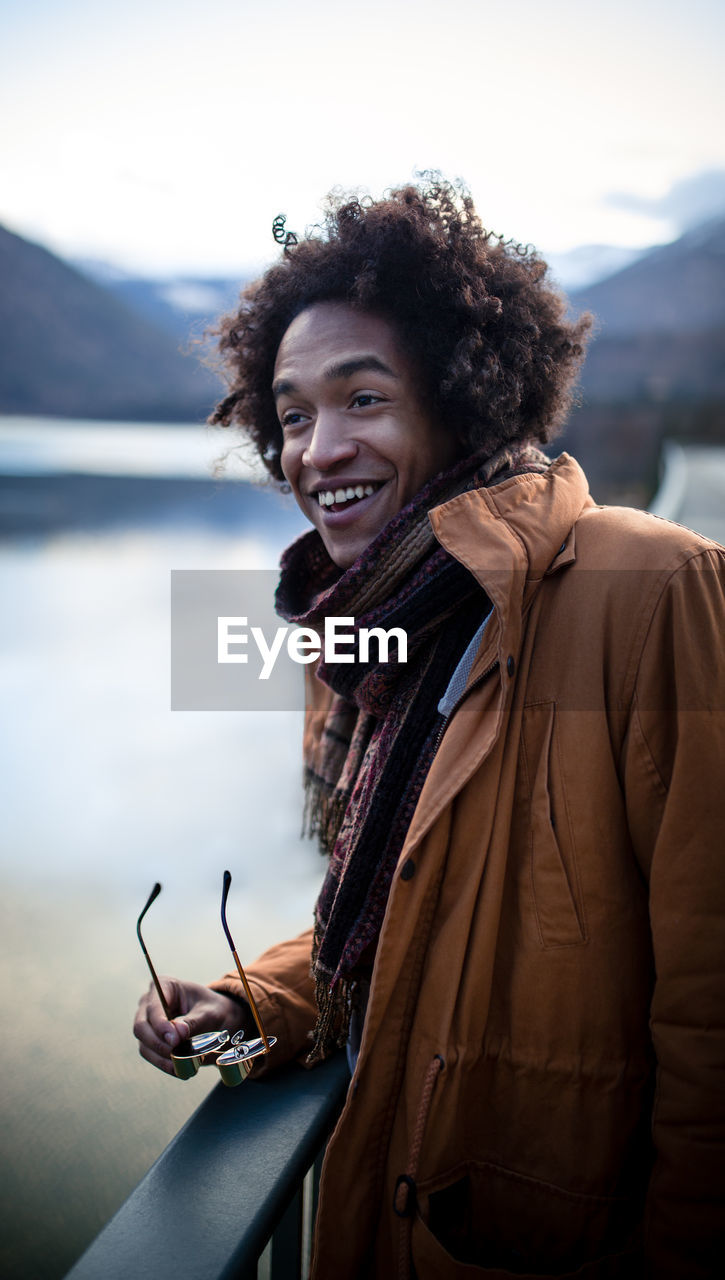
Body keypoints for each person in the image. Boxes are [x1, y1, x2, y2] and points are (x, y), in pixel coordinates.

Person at [134, 178, 725, 1278]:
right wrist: (252, 998)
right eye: (295, 413)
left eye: (363, 399)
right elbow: (404, 916)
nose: (318, 451)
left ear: (464, 397)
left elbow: (710, 1005)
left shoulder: (653, 589)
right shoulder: (356, 642)